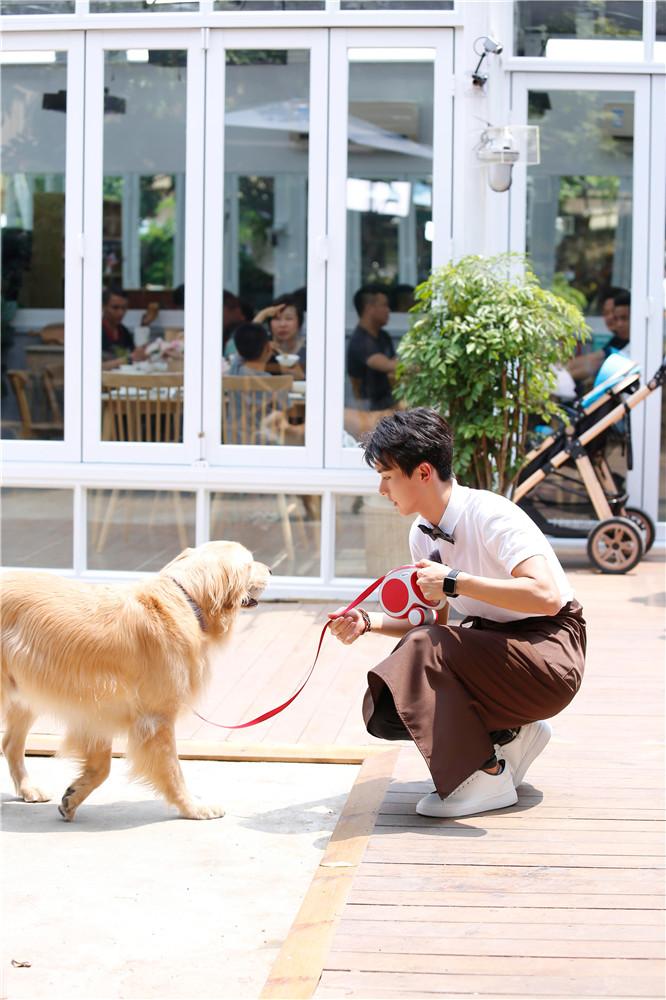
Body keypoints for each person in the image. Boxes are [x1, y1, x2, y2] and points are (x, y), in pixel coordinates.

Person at [328, 408, 586, 819]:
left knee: (422, 650)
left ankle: (485, 773)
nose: (381, 489)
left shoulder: (491, 514)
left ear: (424, 472)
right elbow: (436, 627)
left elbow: (547, 597)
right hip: (497, 653)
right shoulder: (421, 535)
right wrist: (368, 622)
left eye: (388, 476)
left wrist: (455, 581)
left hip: (550, 654)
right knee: (402, 684)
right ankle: (512, 734)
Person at [224, 321, 291, 445]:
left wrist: (263, 315)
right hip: (264, 446)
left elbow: (243, 343)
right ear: (268, 348)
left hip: (233, 443)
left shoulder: (235, 371)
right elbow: (286, 413)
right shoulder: (275, 383)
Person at [347, 285, 397, 411]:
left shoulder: (384, 337)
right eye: (384, 305)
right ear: (369, 308)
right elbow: (389, 366)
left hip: (388, 403)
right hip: (367, 409)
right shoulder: (360, 340)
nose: (388, 310)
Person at [567, 288, 631, 386]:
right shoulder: (617, 340)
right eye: (606, 313)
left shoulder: (634, 343)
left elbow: (594, 361)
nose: (618, 323)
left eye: (624, 318)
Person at [101, 287, 159, 370]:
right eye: (115, 308)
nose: (121, 313)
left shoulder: (123, 331)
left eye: (124, 308)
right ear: (103, 306)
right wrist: (128, 359)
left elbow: (135, 356)